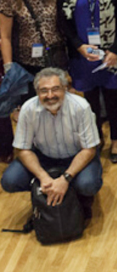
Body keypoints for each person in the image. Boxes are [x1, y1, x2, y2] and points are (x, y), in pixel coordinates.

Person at [58, 0, 117, 164]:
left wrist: (115, 49)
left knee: (111, 95)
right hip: (82, 53)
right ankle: (95, 138)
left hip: (110, 52)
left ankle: (116, 138)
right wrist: (78, 46)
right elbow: (62, 20)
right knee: (90, 99)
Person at [0, 67, 102, 221]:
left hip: (77, 156)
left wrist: (65, 179)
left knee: (88, 184)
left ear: (65, 89)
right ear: (37, 92)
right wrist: (43, 177)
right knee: (10, 180)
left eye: (55, 89)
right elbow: (22, 149)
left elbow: (89, 149)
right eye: (44, 90)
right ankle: (44, 192)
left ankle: (77, 196)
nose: (50, 95)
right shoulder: (28, 109)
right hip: (44, 157)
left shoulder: (81, 107)